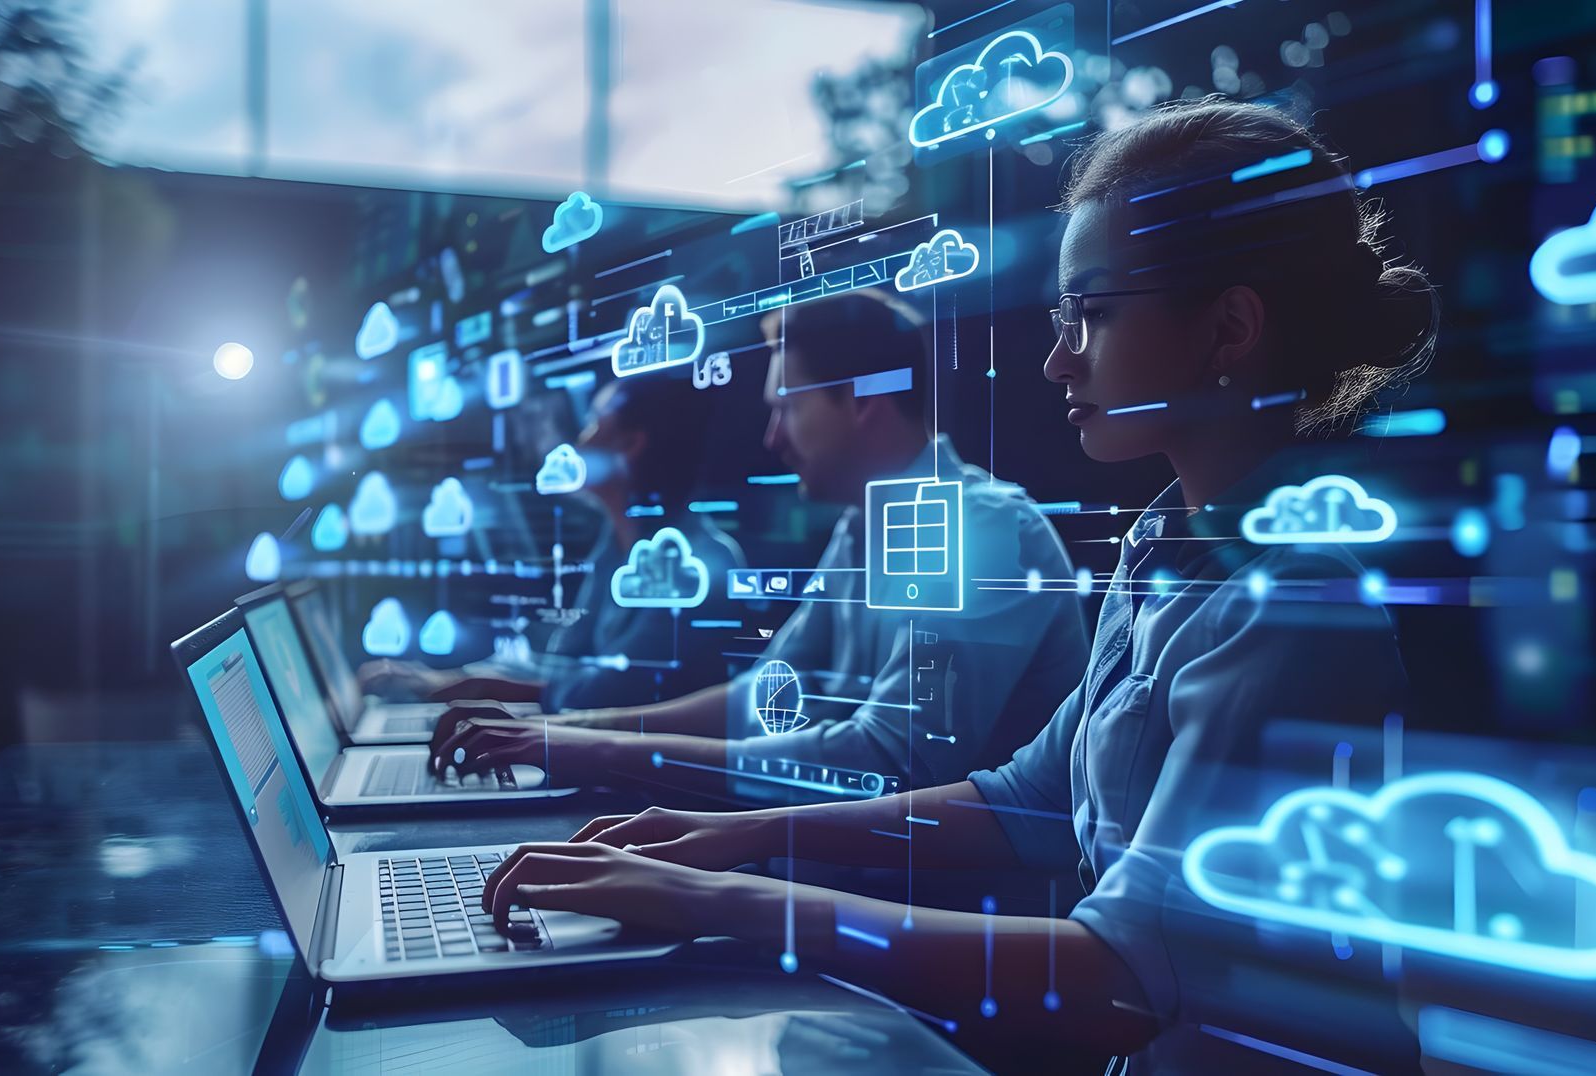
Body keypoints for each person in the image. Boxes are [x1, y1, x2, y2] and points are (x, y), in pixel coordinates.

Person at [454, 99, 1439, 1070]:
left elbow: (1125, 974)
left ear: (1227, 329)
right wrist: (719, 834)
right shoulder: (1162, 546)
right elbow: (1028, 793)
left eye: (1091, 315)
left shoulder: (1292, 606)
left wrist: (719, 892)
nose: (1059, 356)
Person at [427, 290, 1089, 801]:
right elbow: (767, 697)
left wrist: (582, 748)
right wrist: (562, 734)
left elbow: (893, 762)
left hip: (942, 947)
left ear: (863, 402)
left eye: (788, 408)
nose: (773, 438)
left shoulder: (976, 530)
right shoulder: (869, 524)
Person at [360, 372, 744, 712]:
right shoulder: (615, 549)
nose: (581, 438)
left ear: (629, 444)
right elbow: (566, 660)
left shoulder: (700, 567)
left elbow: (613, 691)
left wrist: (476, 687)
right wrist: (449, 678)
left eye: (594, 422)